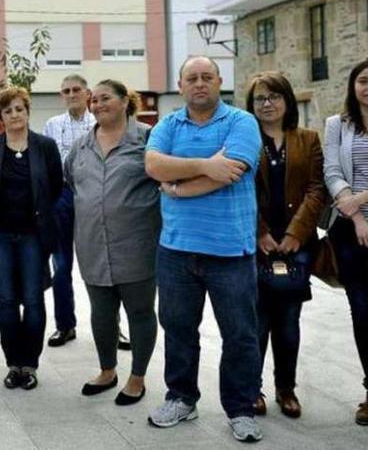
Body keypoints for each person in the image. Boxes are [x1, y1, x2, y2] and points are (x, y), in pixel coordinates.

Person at [144, 56, 263, 442]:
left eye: (206, 77)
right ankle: (181, 398)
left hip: (230, 251)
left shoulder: (241, 122)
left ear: (219, 81)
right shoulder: (166, 125)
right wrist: (205, 164)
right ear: (180, 85)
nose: (199, 84)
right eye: (192, 78)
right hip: (176, 251)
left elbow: (230, 174)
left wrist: (177, 185)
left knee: (240, 334)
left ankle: (242, 408)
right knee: (178, 329)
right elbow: (153, 165)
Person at [67, 80, 159, 405]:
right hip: (92, 246)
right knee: (101, 314)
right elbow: (71, 186)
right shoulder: (80, 147)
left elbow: (166, 180)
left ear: (124, 101)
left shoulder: (149, 138)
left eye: (106, 98)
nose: (97, 104)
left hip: (137, 246)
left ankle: (137, 377)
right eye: (94, 100)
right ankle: (107, 371)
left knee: (140, 312)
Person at [245, 72, 325, 419]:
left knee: (289, 322)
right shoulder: (243, 139)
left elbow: (317, 189)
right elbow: (240, 188)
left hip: (297, 243)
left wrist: (295, 233)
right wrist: (259, 231)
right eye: (260, 98)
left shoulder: (308, 139)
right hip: (254, 242)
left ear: (287, 101)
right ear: (251, 105)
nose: (267, 103)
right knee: (256, 321)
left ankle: (286, 388)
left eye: (274, 97)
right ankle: (252, 389)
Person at [0, 87, 61, 389]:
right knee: (7, 298)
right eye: (8, 110)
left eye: (19, 109)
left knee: (33, 298)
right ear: (0, 116)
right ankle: (13, 364)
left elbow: (54, 187)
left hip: (33, 234)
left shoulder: (45, 146)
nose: (14, 115)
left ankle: (31, 364)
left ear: (28, 111)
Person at [323, 58, 368, 426]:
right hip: (350, 232)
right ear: (353, 86)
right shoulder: (337, 125)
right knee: (362, 312)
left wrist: (361, 200)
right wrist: (355, 216)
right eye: (363, 81)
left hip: (358, 208)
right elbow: (331, 171)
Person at [42, 74, 94, 347]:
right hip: (61, 196)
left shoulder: (100, 122)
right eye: (66, 91)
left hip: (94, 197)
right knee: (61, 266)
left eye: (76, 89)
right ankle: (65, 325)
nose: (71, 94)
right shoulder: (52, 125)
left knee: (100, 264)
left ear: (88, 93)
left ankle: (112, 326)